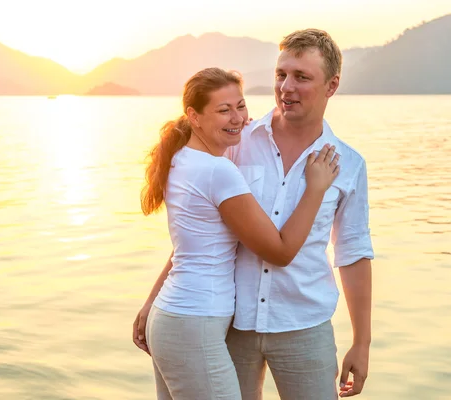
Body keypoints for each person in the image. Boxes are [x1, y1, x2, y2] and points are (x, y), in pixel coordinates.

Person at [134, 29, 374, 400]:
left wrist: (362, 342)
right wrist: (153, 300)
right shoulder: (233, 140)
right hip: (231, 326)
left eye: (301, 77)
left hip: (303, 326)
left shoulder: (348, 165)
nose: (286, 87)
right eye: (281, 75)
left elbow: (353, 254)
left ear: (332, 85)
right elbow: (201, 234)